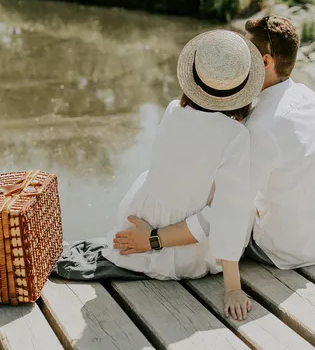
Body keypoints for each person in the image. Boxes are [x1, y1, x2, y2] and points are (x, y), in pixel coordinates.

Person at [113, 16, 315, 271]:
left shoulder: (260, 127)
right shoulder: (308, 97)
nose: (236, 59)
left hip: (283, 250)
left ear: (265, 62)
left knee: (215, 193)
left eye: (244, 53)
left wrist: (152, 239)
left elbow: (222, 214)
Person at [98, 29, 264, 321]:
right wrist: (233, 288)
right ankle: (160, 241)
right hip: (184, 256)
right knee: (243, 201)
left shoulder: (174, 109)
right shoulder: (235, 135)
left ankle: (155, 238)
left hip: (140, 223)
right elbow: (229, 212)